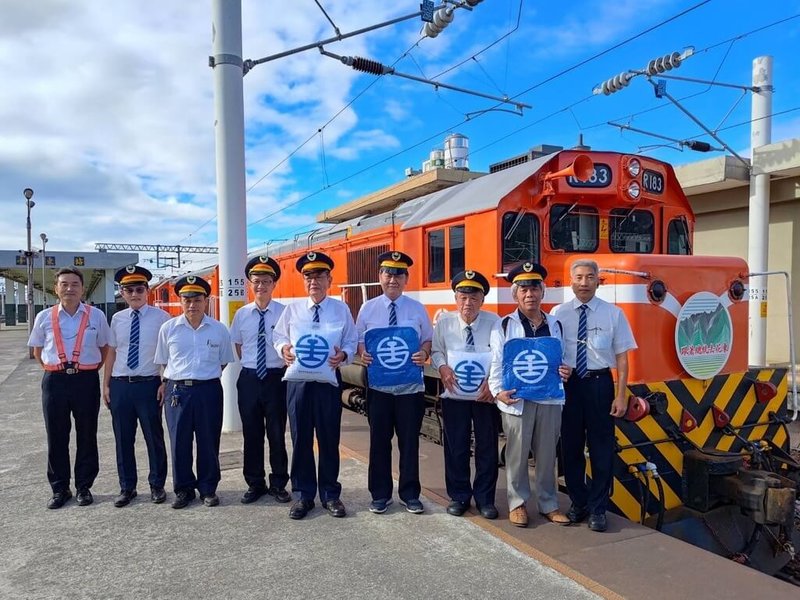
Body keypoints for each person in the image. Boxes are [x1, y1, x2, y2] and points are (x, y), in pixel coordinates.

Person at [552, 259, 637, 532]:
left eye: (590, 277)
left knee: (601, 449)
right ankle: (578, 503)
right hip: (570, 386)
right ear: (570, 280)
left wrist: (621, 395)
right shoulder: (558, 313)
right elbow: (551, 352)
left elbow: (622, 358)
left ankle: (599, 508)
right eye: (578, 277)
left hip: (600, 385)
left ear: (598, 280)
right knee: (571, 448)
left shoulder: (614, 314)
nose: (584, 283)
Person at [273, 251, 358, 520]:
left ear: (329, 280)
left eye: (319, 276)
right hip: (298, 383)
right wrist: (283, 348)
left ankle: (331, 495)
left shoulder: (341, 309)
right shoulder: (293, 310)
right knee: (300, 439)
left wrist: (343, 355)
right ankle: (302, 495)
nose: (314, 281)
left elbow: (351, 341)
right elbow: (278, 336)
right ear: (303, 281)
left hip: (328, 382)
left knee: (329, 439)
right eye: (308, 276)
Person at [488, 262, 571, 528]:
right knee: (517, 454)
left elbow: (564, 357)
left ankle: (549, 503)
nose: (530, 294)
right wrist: (497, 392)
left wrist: (566, 370)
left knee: (547, 454)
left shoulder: (556, 324)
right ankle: (517, 503)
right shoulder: (503, 326)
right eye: (523, 288)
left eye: (535, 288)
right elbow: (497, 363)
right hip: (517, 400)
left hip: (549, 399)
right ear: (515, 294)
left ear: (542, 292)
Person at [356, 251, 433, 515]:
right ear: (379, 277)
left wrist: (424, 353)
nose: (393, 279)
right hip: (378, 388)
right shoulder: (367, 309)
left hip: (410, 388)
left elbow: (427, 340)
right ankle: (380, 494)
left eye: (399, 274)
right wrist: (361, 354)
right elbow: (358, 342)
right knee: (379, 441)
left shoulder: (417, 309)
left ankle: (410, 494)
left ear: (406, 278)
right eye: (388, 273)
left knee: (409, 441)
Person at [28, 267, 111, 509]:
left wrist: (88, 369)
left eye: (74, 284)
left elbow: (105, 348)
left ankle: (84, 487)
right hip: (54, 382)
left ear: (82, 288)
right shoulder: (44, 317)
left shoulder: (96, 316)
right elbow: (37, 351)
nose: (69, 288)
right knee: (56, 436)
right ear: (56, 288)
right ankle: (59, 488)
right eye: (64, 284)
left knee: (87, 434)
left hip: (85, 380)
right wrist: (55, 369)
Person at [154, 274, 235, 509]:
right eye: (187, 299)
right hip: (177, 391)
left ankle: (208, 489)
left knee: (208, 441)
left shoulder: (219, 329)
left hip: (208, 390)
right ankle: (183, 490)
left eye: (197, 299)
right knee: (179, 441)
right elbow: (163, 361)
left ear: (206, 300)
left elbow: (223, 362)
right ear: (180, 301)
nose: (192, 304)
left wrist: (203, 376)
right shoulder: (168, 329)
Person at [431, 270, 500, 519]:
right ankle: (459, 496)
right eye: (462, 297)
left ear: (482, 299)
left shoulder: (495, 323)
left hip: (484, 396)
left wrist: (492, 384)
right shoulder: (445, 323)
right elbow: (437, 351)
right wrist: (442, 367)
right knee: (455, 446)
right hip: (454, 395)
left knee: (487, 448)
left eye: (473, 297)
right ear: (455, 298)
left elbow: (500, 356)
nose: (467, 303)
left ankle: (485, 499)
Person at [103, 265, 170, 507]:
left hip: (149, 384)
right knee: (123, 438)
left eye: (139, 289)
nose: (134, 294)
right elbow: (112, 352)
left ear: (147, 290)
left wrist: (164, 381)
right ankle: (127, 487)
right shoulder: (117, 319)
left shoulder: (162, 319)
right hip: (121, 385)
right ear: (122, 292)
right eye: (128, 289)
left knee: (154, 437)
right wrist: (106, 384)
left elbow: (167, 354)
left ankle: (157, 485)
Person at [229, 256, 290, 505]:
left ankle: (278, 483)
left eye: (266, 281)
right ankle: (255, 483)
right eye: (256, 282)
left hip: (276, 378)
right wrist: (255, 368)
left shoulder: (285, 313)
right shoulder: (241, 314)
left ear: (274, 284)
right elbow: (239, 346)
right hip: (250, 379)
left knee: (276, 434)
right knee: (251, 434)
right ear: (250, 285)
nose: (261, 286)